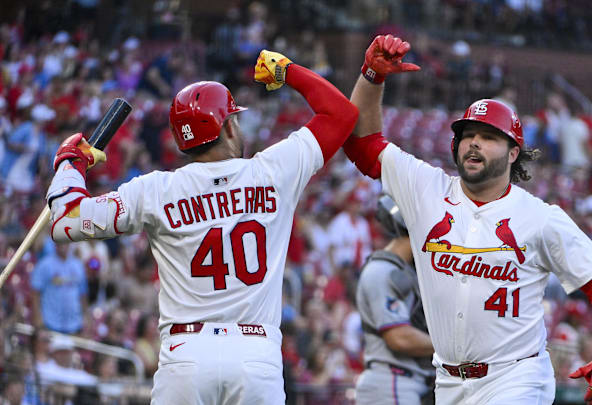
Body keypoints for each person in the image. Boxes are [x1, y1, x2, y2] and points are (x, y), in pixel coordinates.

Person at [44, 49, 358, 404]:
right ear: (227, 126)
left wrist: (72, 163)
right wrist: (289, 72)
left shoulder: (155, 189)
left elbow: (65, 220)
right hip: (255, 354)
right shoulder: (273, 170)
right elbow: (342, 114)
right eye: (234, 120)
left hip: (186, 353)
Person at [343, 34, 592, 404]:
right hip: (448, 381)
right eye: (468, 134)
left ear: (513, 153)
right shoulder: (426, 189)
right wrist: (371, 76)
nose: (474, 142)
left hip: (517, 377)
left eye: (488, 137)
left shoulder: (539, 217)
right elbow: (361, 144)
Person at [355, 195, 435, 405]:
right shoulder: (381, 271)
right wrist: (450, 347)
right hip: (392, 382)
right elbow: (399, 337)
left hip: (405, 383)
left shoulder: (404, 271)